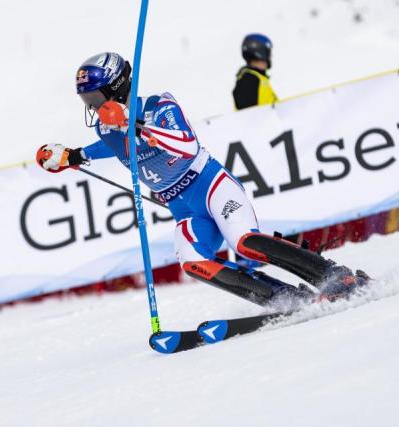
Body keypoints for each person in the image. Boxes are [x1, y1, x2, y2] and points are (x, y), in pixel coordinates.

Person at [36, 52, 367, 305]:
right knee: (193, 262)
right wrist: (72, 156)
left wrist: (137, 125)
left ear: (115, 88)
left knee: (243, 242)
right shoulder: (107, 128)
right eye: (87, 101)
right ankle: (283, 298)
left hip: (210, 186)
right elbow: (106, 145)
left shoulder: (158, 105)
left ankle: (337, 276)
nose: (93, 108)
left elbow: (186, 144)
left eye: (95, 98)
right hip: (184, 209)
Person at [232, 33, 278, 110]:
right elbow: (248, 116)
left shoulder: (260, 79)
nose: (271, 56)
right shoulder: (248, 79)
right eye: (268, 52)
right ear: (260, 53)